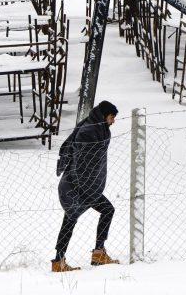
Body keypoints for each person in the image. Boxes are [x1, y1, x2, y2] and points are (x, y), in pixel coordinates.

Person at [52, 100, 120, 272]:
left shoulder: (98, 128)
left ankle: (92, 254)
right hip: (78, 184)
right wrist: (87, 188)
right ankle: (67, 259)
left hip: (88, 185)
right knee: (73, 216)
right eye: (112, 117)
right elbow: (83, 164)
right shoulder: (88, 132)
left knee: (72, 218)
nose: (113, 121)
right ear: (104, 116)